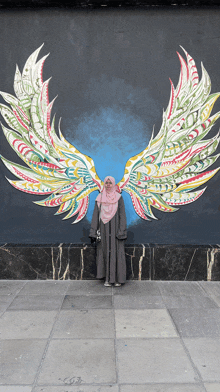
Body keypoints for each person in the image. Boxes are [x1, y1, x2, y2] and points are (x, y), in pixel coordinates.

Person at [89, 176, 127, 287]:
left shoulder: (119, 198)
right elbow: (96, 216)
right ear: (104, 184)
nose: (108, 185)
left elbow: (122, 215)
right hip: (103, 230)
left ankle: (117, 279)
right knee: (105, 253)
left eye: (110, 183)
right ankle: (107, 279)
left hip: (116, 231)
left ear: (114, 184)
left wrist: (122, 231)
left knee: (116, 253)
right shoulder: (100, 197)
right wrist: (93, 232)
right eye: (106, 183)